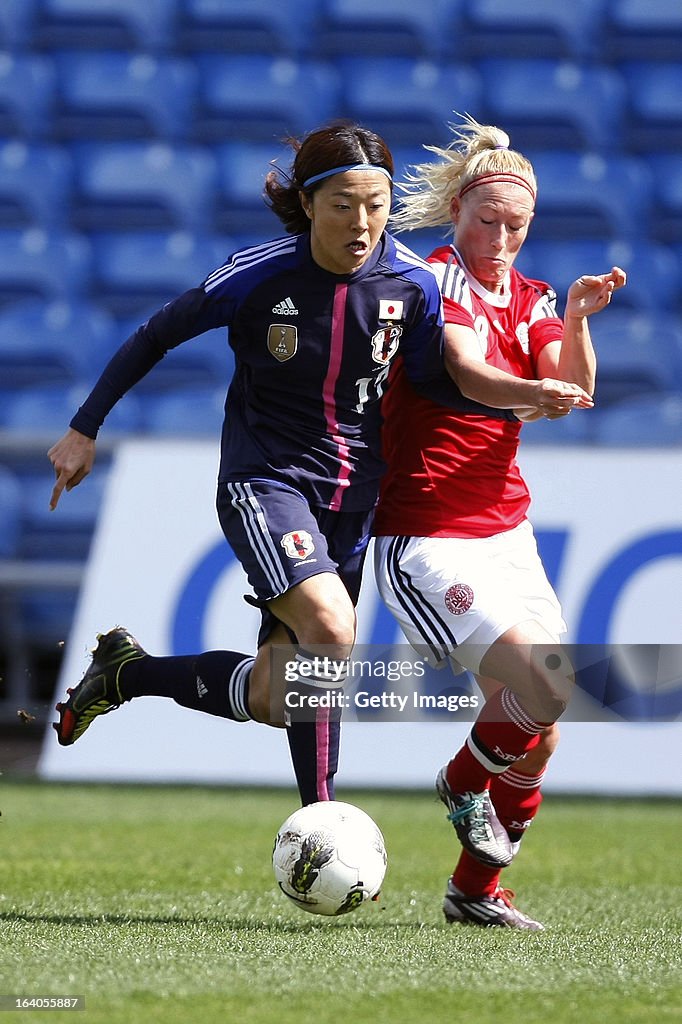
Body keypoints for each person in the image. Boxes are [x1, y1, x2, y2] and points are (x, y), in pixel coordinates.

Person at [48, 121, 445, 807]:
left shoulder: (413, 285)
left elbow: (436, 385)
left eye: (376, 204)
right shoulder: (258, 276)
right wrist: (84, 428)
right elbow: (156, 333)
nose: (362, 222)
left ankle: (125, 675)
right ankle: (324, 820)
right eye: (344, 204)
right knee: (331, 628)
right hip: (266, 481)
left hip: (353, 496)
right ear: (310, 204)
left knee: (277, 696)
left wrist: (521, 396)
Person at [373, 115, 626, 929]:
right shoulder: (435, 280)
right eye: (489, 220)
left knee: (542, 732)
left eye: (518, 224)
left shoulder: (534, 297)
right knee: (541, 689)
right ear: (458, 213)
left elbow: (572, 386)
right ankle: (459, 779)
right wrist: (533, 394)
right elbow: (468, 373)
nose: (503, 236)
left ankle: (473, 893)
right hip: (427, 535)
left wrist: (579, 323)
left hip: (505, 534)